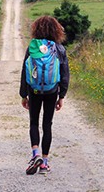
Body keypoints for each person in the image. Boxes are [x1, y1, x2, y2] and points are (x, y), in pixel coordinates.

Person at [20, 15, 69, 175]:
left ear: (37, 29)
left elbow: (24, 71)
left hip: (34, 90)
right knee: (47, 125)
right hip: (51, 91)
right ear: (56, 30)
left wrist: (23, 94)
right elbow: (64, 73)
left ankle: (36, 154)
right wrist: (61, 96)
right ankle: (44, 163)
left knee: (34, 122)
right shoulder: (59, 48)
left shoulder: (32, 47)